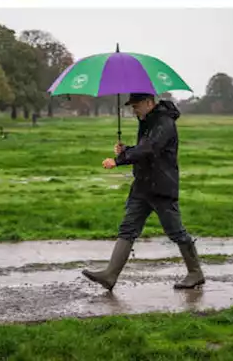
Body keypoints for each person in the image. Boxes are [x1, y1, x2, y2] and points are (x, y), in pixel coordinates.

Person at [82, 93, 205, 291]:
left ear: (149, 103)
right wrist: (126, 150)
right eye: (132, 107)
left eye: (136, 106)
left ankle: (195, 273)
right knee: (128, 228)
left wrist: (119, 160)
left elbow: (149, 148)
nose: (134, 110)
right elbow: (143, 149)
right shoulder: (148, 121)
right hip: (143, 187)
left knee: (176, 232)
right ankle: (110, 275)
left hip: (161, 187)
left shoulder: (164, 123)